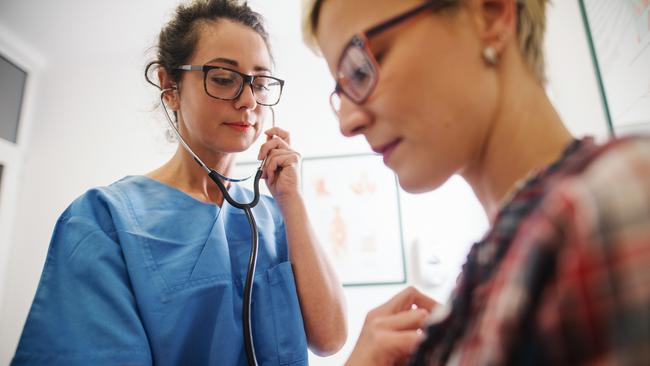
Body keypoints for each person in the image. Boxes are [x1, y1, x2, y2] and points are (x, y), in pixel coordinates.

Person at [302, 0, 650, 364]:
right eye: (340, 91)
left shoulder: (609, 202)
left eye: (360, 69)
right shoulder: (497, 262)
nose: (346, 123)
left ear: (491, 13)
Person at [12, 1, 346, 365]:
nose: (249, 100)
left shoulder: (276, 217)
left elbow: (329, 338)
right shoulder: (105, 221)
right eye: (223, 78)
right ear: (170, 86)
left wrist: (292, 200)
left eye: (261, 83)